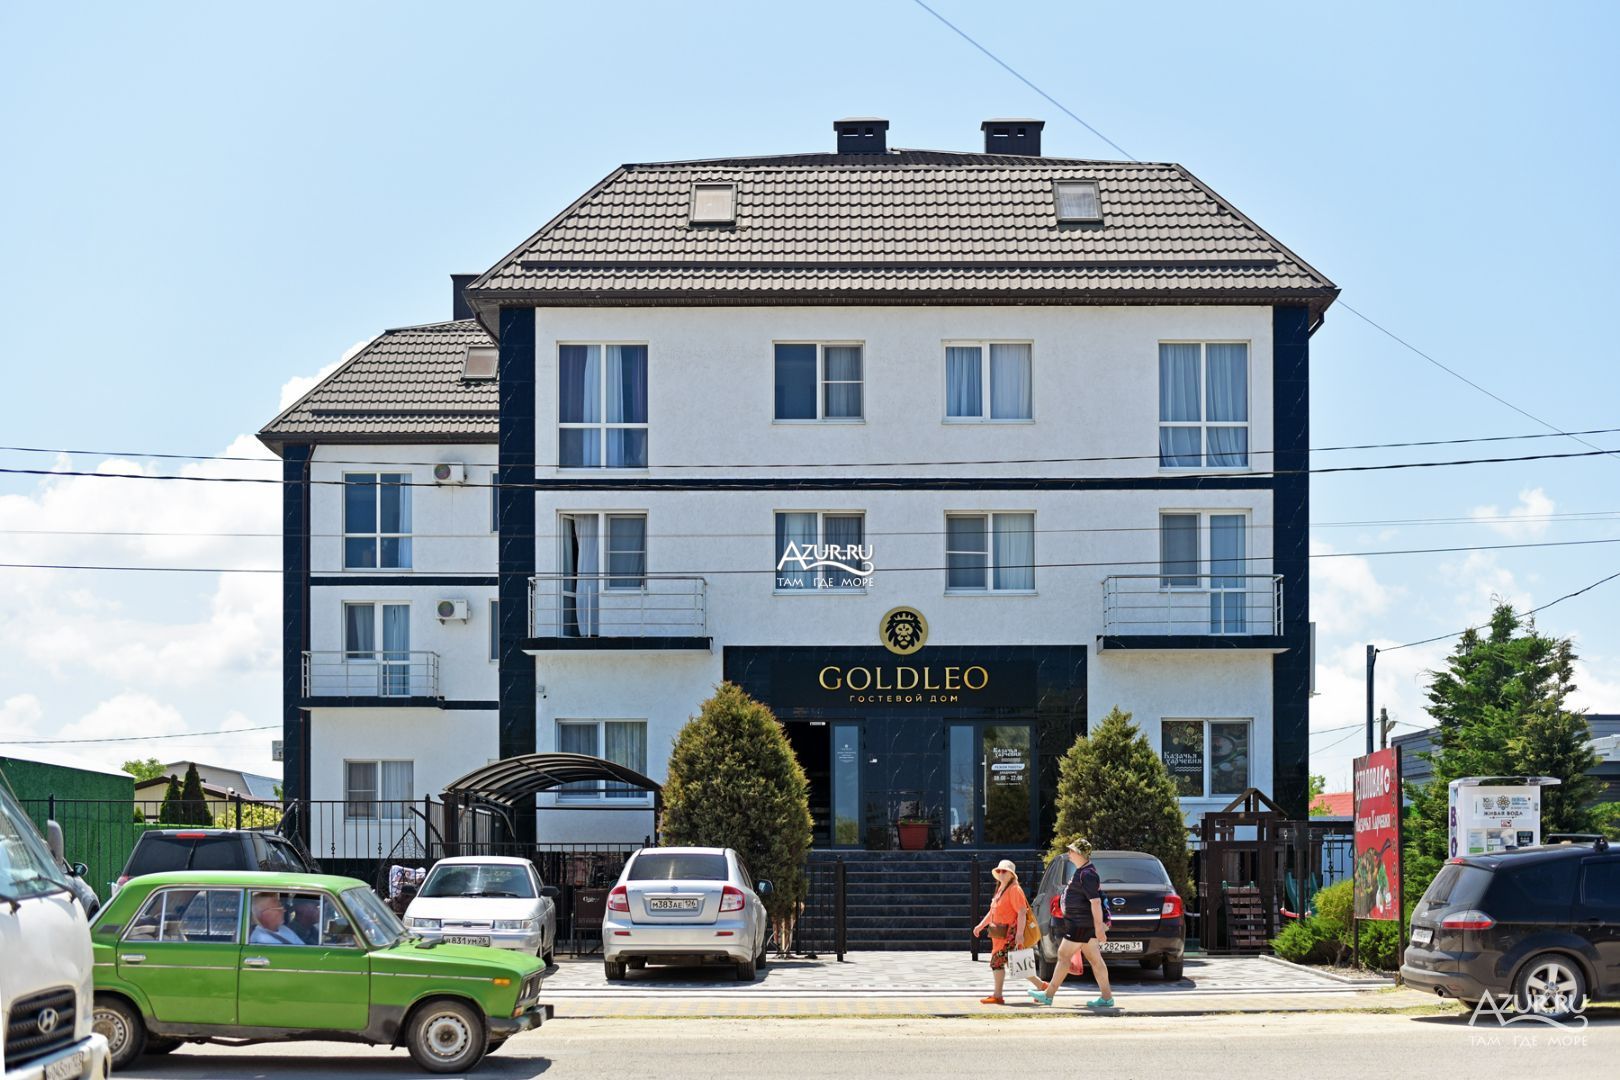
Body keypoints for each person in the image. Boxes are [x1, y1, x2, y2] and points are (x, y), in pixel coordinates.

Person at [1029, 839, 1115, 1009]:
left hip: (1081, 924)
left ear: (1080, 854)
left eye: (1072, 851)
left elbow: (1096, 902)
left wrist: (1099, 928)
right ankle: (1107, 998)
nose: (1069, 853)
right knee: (1095, 960)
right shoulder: (1083, 871)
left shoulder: (1087, 874)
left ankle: (1048, 995)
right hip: (1081, 924)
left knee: (1063, 955)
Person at [971, 859, 1046, 1005]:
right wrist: (980, 926)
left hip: (1009, 936)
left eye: (1004, 871)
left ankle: (998, 995)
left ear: (1011, 874)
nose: (1001, 873)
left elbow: (1022, 912)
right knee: (1016, 964)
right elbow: (993, 911)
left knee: (998, 962)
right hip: (1000, 936)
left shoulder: (1014, 889)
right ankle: (1042, 987)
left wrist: (1019, 935)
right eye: (999, 871)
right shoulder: (1001, 888)